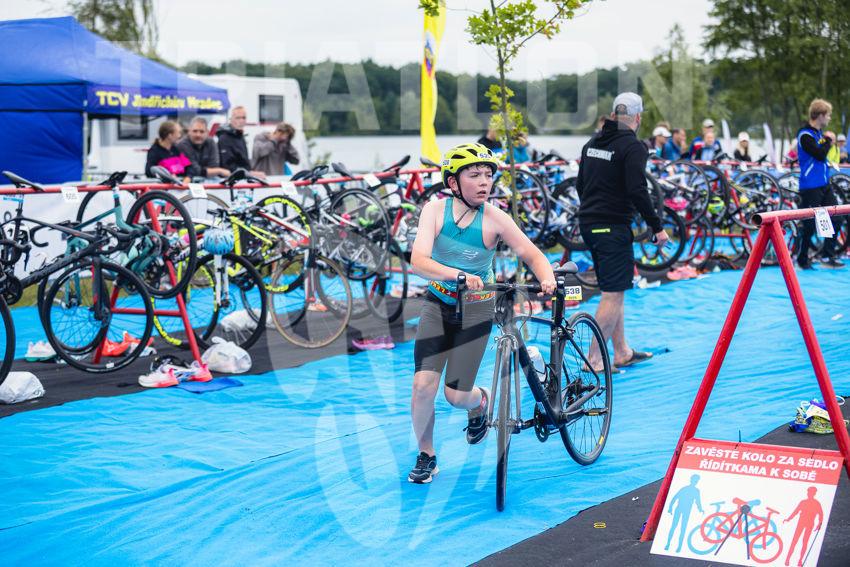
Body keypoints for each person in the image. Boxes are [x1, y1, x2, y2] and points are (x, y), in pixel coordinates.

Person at [407, 142, 556, 484]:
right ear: (453, 182)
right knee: (422, 386)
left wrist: (546, 278)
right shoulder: (434, 211)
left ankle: (479, 404)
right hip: (438, 304)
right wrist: (456, 275)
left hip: (477, 308)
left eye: (488, 175)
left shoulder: (496, 219)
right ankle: (427, 454)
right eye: (474, 175)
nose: (484, 181)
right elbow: (419, 261)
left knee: (456, 396)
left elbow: (533, 255)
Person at [576, 92, 668, 372]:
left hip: (589, 223)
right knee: (613, 294)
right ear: (638, 117)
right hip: (612, 227)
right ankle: (594, 360)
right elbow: (638, 190)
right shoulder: (633, 146)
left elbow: (580, 185)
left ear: (614, 115)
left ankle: (621, 352)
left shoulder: (592, 143)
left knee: (614, 289)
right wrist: (657, 226)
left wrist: (595, 208)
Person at [796, 98, 843, 269]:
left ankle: (827, 255)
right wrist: (828, 140)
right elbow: (819, 154)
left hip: (824, 184)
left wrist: (826, 140)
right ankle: (802, 259)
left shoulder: (818, 135)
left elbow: (822, 151)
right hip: (810, 186)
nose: (829, 118)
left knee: (836, 218)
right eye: (828, 115)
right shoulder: (805, 135)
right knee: (809, 225)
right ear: (820, 115)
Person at [216, 106, 266, 179]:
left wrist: (250, 173)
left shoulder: (240, 136)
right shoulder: (224, 138)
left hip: (241, 178)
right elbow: (227, 166)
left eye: (244, 118)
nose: (241, 121)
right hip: (231, 180)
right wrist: (249, 173)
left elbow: (244, 163)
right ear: (231, 120)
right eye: (238, 118)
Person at [784, 486, 823, 567]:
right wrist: (788, 519)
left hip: (810, 524)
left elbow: (821, 514)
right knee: (794, 541)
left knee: (805, 542)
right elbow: (796, 511)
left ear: (814, 493)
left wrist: (819, 524)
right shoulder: (803, 502)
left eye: (811, 492)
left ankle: (800, 560)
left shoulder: (817, 503)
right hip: (801, 523)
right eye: (808, 492)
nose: (809, 493)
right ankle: (787, 559)